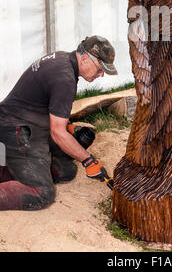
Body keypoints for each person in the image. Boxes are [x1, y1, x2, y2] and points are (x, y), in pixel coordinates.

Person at [0, 35, 118, 211]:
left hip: (26, 122)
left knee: (66, 170)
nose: (101, 75)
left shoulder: (63, 59)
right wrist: (89, 161)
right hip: (17, 129)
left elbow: (45, 103)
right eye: (100, 69)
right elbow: (58, 133)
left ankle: (16, 170)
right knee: (42, 193)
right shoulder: (65, 79)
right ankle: (19, 173)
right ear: (85, 58)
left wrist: (68, 125)